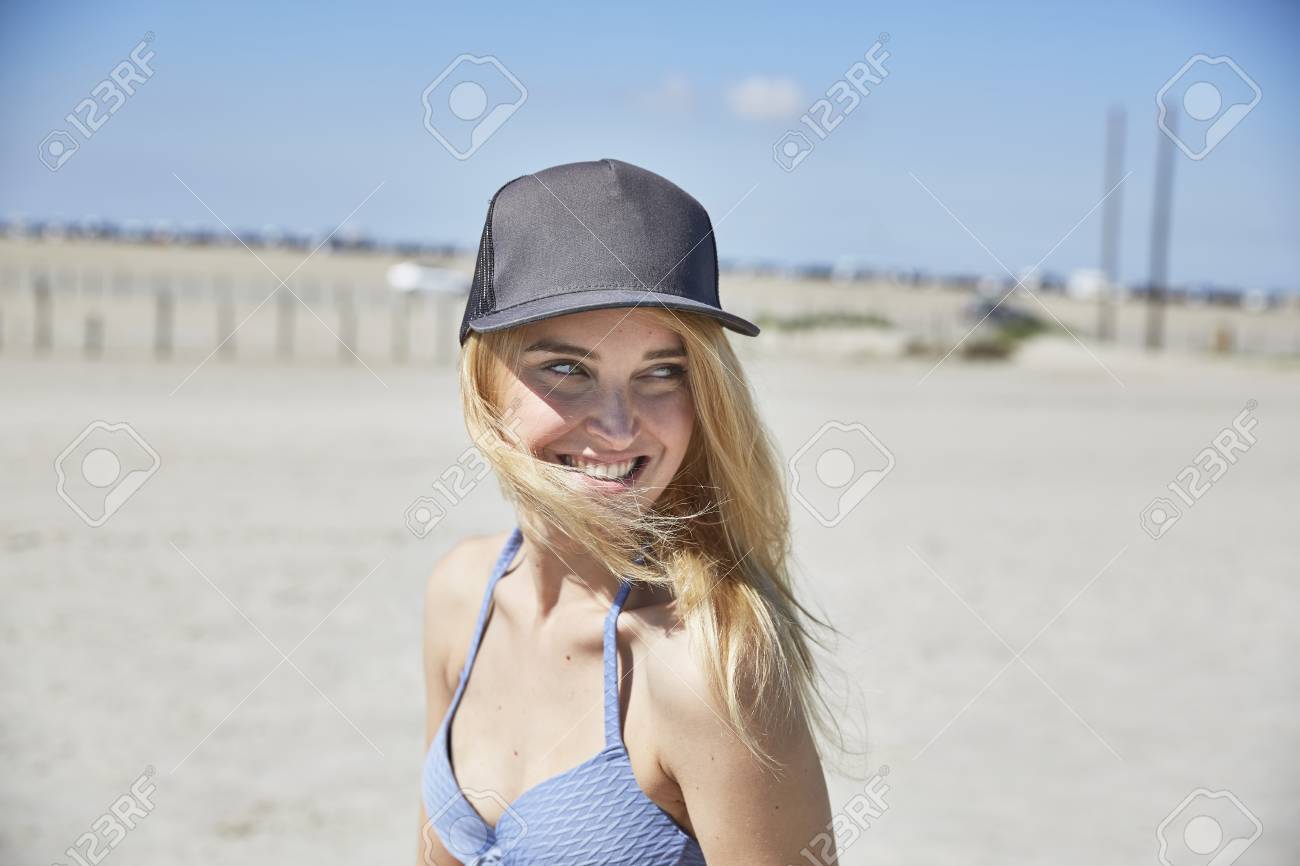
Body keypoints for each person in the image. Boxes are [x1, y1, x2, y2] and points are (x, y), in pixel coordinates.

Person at [415, 158, 843, 865]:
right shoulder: (462, 593)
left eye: (661, 372)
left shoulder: (705, 664)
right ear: (485, 382)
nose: (617, 427)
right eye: (567, 368)